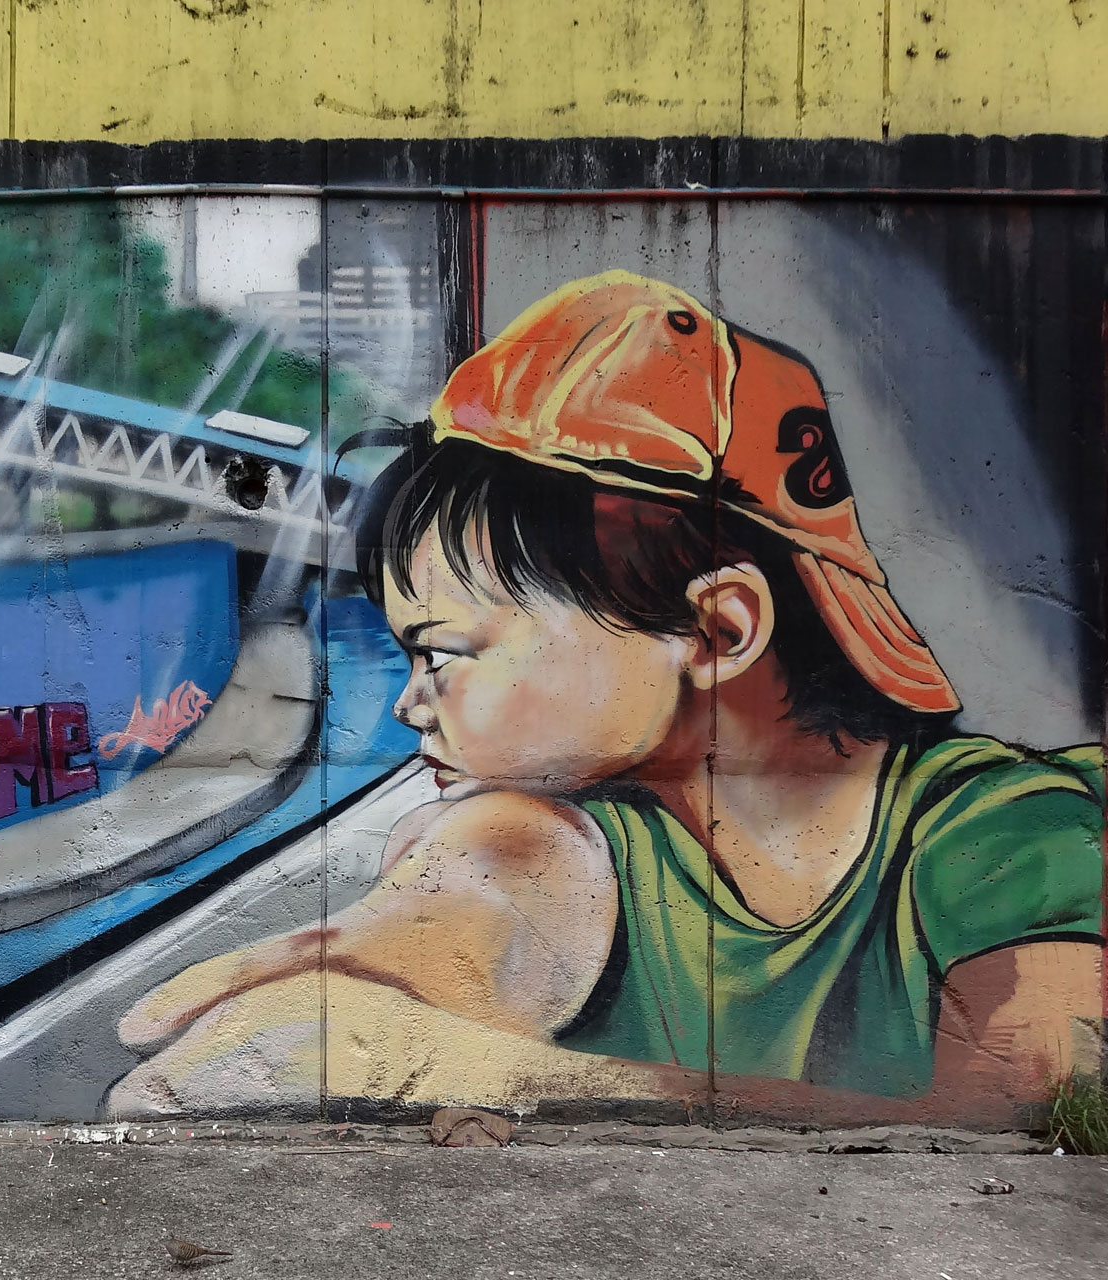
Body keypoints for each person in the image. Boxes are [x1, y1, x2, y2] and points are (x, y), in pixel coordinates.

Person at [107, 271, 1104, 1125]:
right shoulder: (554, 831)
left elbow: (1022, 1119)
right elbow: (467, 903)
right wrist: (386, 970)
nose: (410, 703)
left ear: (716, 631)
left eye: (443, 650)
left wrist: (499, 1074)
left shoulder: (1003, 830)